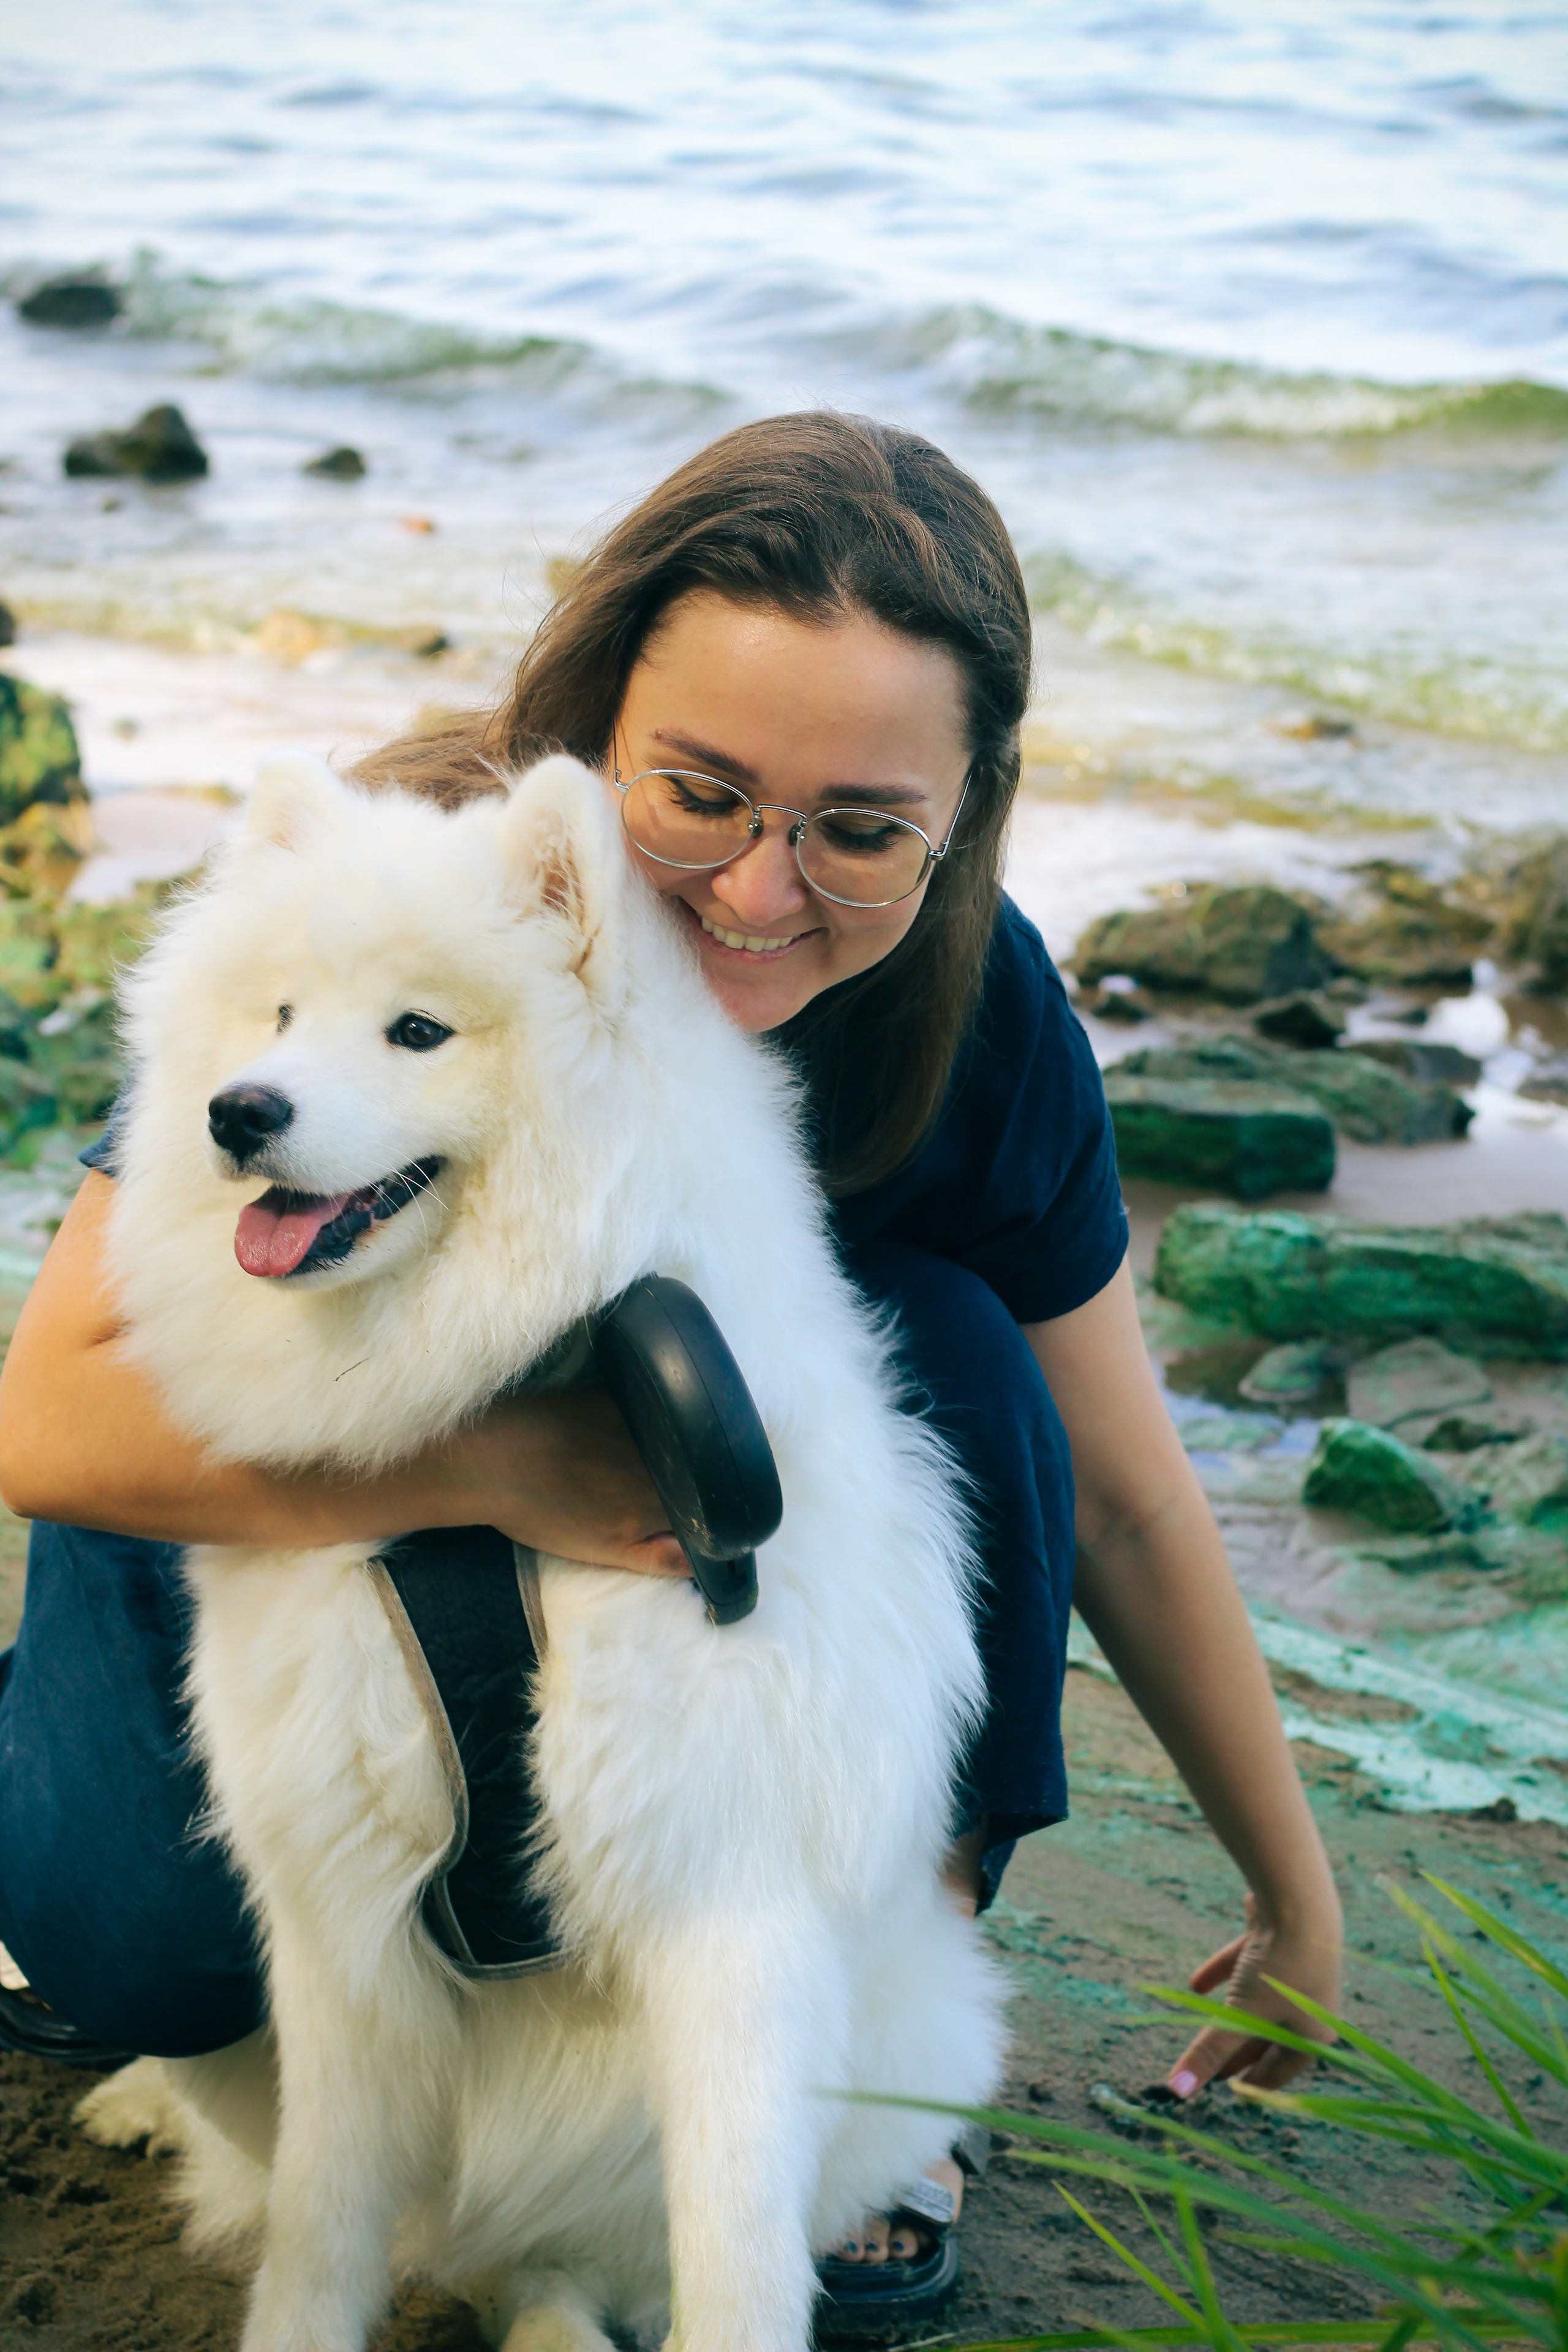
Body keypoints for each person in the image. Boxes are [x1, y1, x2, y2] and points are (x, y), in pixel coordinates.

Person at [0, 413, 1341, 2324]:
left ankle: (869, 2003)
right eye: (698, 793)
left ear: (963, 817)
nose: (758, 891)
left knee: (948, 1338)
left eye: (861, 829)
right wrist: (507, 1465)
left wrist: (1294, 1887)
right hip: (298, 1488)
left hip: (692, 1593)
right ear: (596, 723)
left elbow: (1121, 1487)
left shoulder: (975, 1012)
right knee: (148, 1956)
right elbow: (52, 1414)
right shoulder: (413, 886)